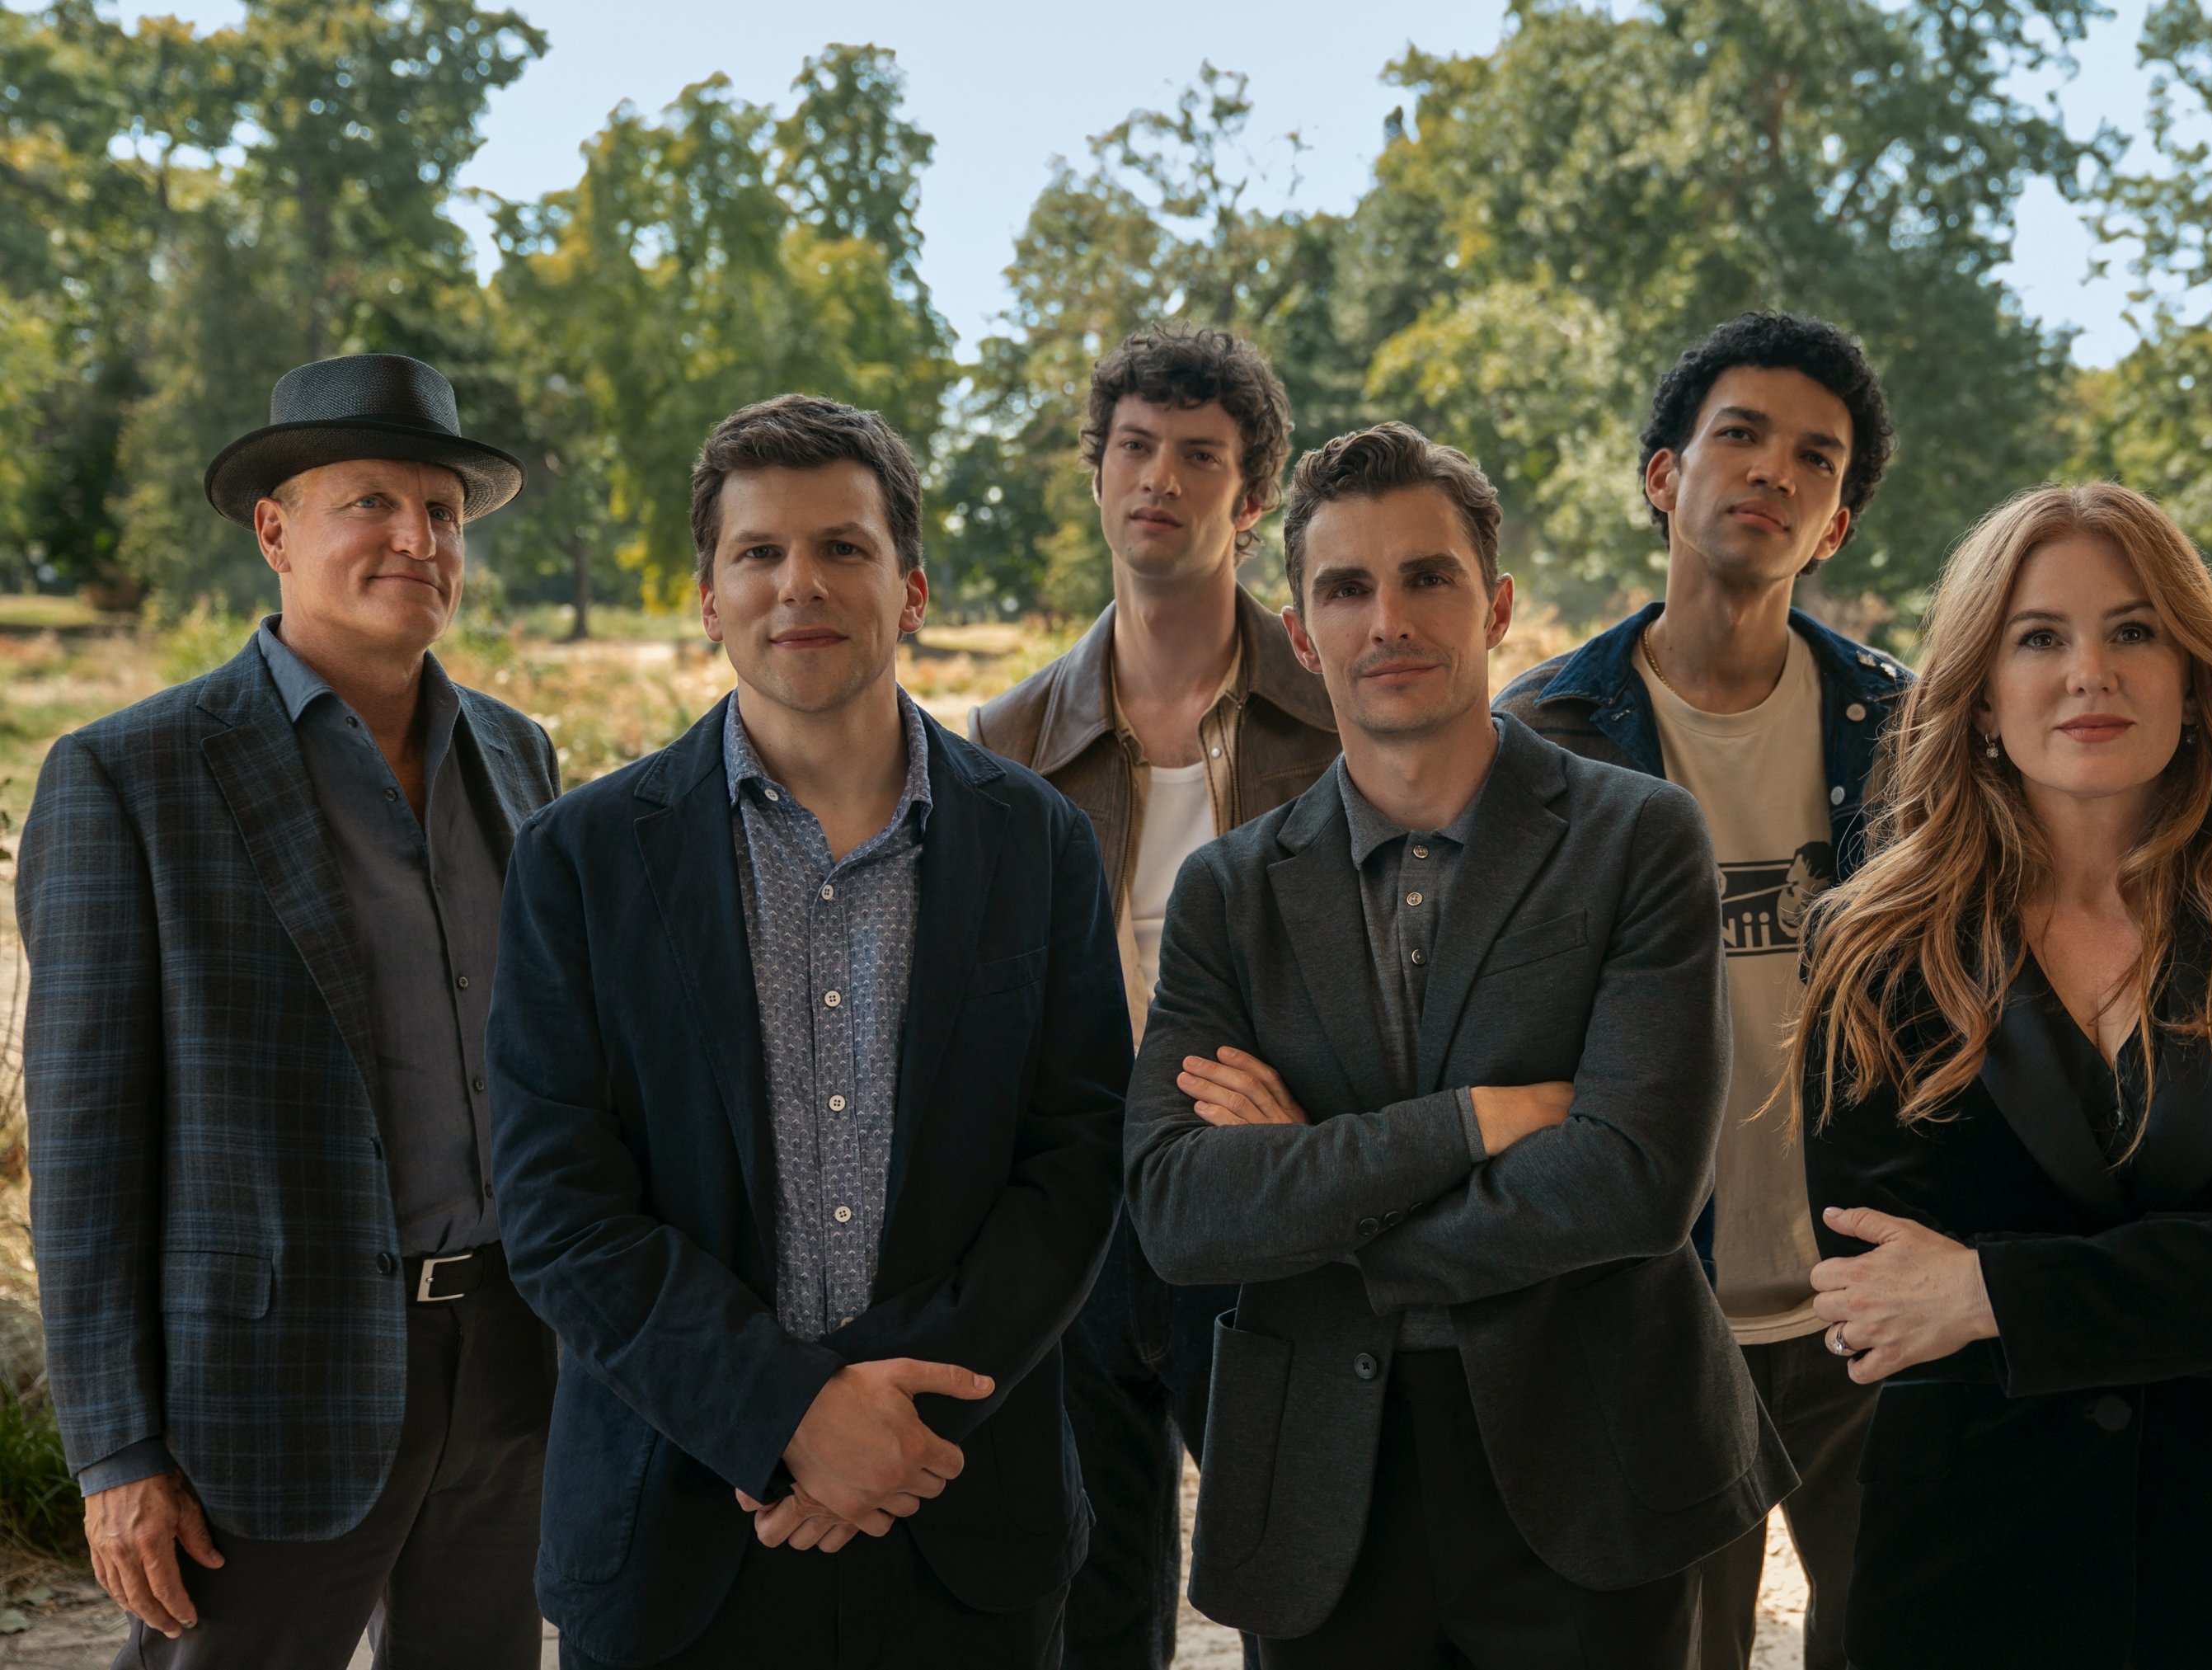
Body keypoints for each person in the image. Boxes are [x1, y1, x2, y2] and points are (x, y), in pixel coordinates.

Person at [1125, 423, 1792, 1668]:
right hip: (1322, 1481)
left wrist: (1319, 1193)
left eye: (1427, 577)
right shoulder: (1228, 890)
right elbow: (1179, 1210)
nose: (1388, 620)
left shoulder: (1639, 838)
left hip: (1597, 1461)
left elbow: (1635, 1182)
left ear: (1495, 606)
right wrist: (1474, 1122)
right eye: (1346, 588)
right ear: (1300, 632)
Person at [486, 395, 1129, 1667]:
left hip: (960, 1515)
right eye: (759, 552)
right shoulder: (579, 858)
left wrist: (875, 1427)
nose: (801, 584)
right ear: (709, 599)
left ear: (913, 589)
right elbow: (556, 1202)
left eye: (844, 547)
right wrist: (789, 1413)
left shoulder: (1039, 842)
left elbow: (1076, 1161)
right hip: (676, 1529)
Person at [1796, 482, 2212, 1668]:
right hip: (1970, 1580)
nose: (2092, 672)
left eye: (2135, 630)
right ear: (1982, 694)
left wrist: (1988, 1292)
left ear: (2194, 676)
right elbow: (1881, 1306)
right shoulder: (1871, 947)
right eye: (2040, 638)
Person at [15, 353, 557, 1666]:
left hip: (512, 1361)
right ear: (275, 530)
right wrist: (117, 1450)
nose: (417, 538)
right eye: (371, 501)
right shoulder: (126, 775)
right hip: (267, 1388)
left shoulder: (518, 754)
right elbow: (85, 1149)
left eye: (442, 512)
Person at [1496, 310, 1907, 1670]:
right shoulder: (1544, 736)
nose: (1774, 470)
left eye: (1816, 458)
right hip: (1655, 1308)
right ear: (1664, 475)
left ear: (1836, 526)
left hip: (1871, 1301)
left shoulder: (1907, 732)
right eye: (1740, 434)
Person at [970, 327, 1335, 1670]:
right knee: (1095, 1593)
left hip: (1268, 1196)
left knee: (1301, 1576)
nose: (1159, 479)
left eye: (1199, 456)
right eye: (1134, 447)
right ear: (1098, 471)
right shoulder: (1009, 738)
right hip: (1081, 1208)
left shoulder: (1331, 715)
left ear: (1253, 498)